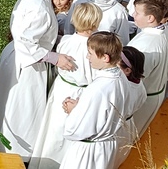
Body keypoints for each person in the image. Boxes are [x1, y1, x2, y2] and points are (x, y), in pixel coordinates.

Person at [0, 0, 77, 161]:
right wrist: (55, 57)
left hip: (14, 55)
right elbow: (27, 41)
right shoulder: (40, 8)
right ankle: (17, 151)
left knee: (5, 99)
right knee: (23, 107)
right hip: (28, 64)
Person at [30, 3, 102, 169]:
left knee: (54, 127)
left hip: (61, 87)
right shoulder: (95, 48)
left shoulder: (65, 41)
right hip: (81, 92)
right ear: (96, 23)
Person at [58, 32, 144, 169]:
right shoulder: (121, 77)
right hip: (107, 146)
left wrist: (73, 111)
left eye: (90, 53)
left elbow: (76, 129)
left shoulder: (99, 88)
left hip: (88, 152)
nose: (87, 57)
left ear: (105, 57)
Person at [128, 0, 168, 135]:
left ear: (150, 18)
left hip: (142, 99)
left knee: (129, 136)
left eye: (137, 12)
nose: (133, 14)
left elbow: (134, 78)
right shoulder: (167, 32)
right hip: (155, 91)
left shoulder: (146, 45)